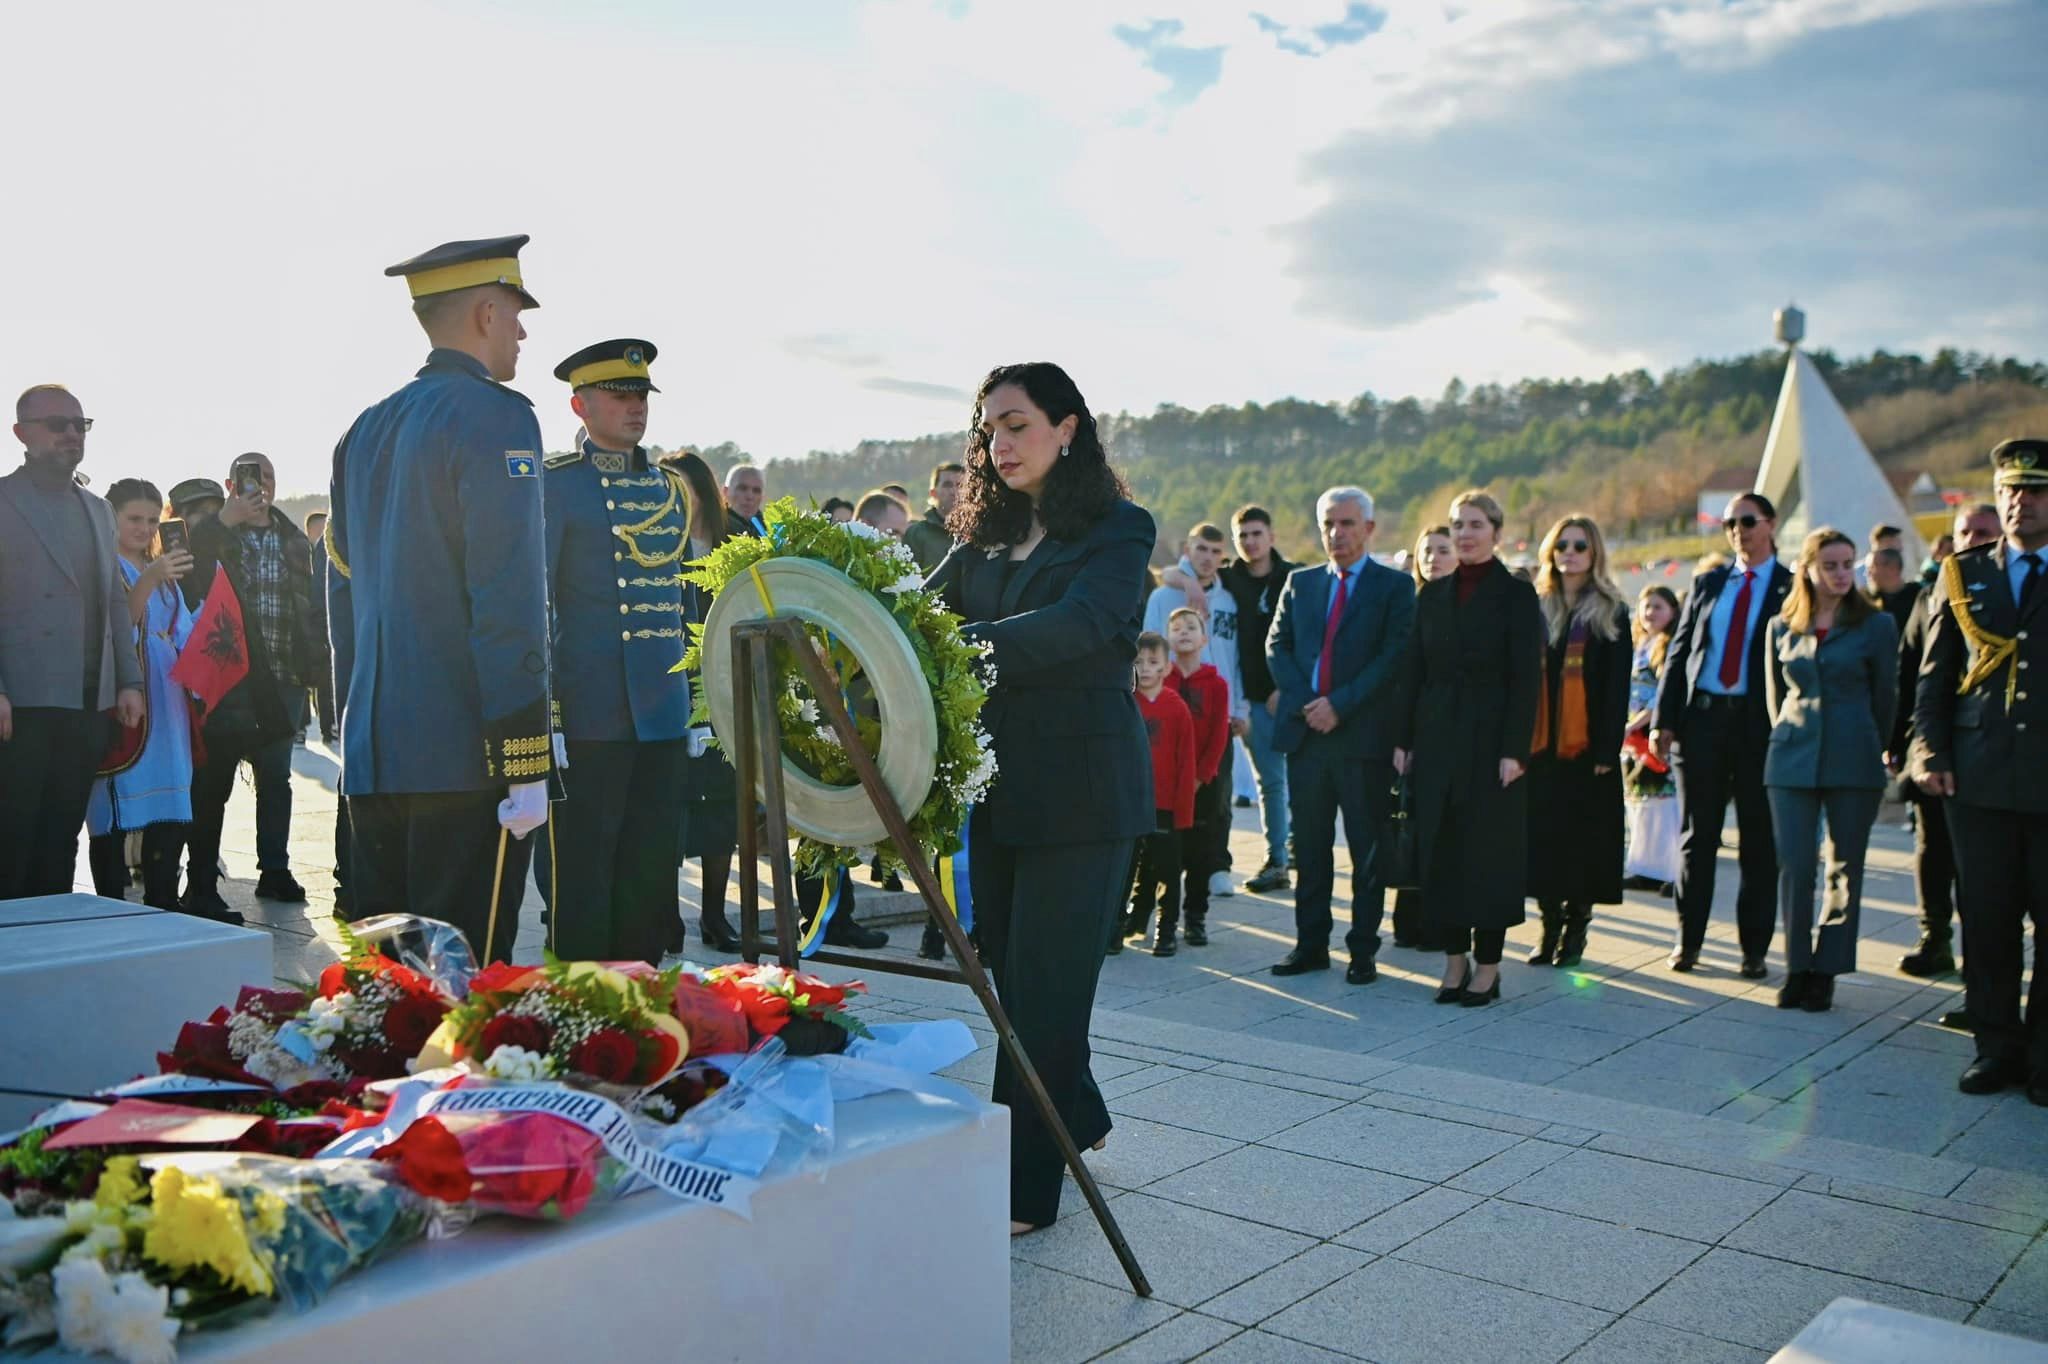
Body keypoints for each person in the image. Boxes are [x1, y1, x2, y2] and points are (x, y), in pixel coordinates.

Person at [926, 361, 1154, 1235]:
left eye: (1016, 424)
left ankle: (1022, 1192)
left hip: (1086, 798)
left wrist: (961, 649)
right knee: (1013, 984)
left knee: (1048, 993)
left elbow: (1082, 626)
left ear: (1067, 429)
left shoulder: (1118, 529)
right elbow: (917, 610)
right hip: (1001, 790)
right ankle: (1077, 1117)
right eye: (988, 428)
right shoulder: (985, 532)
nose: (999, 443)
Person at [326, 235, 554, 962]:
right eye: (516, 312)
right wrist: (525, 758)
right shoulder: (497, 416)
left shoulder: (363, 429)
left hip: (376, 755)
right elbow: (507, 592)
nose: (522, 330)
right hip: (465, 757)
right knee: (464, 990)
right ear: (486, 312)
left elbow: (353, 582)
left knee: (389, 999)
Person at [528, 339, 692, 964]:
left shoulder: (670, 487)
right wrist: (548, 713)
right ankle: (583, 1004)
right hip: (590, 710)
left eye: (640, 396)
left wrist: (696, 705)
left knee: (650, 871)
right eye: (619, 396)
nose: (634, 408)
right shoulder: (556, 484)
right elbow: (535, 604)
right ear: (580, 405)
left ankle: (642, 998)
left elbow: (686, 600)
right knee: (583, 874)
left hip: (662, 712)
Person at [1912, 440, 2048, 1104]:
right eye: (2010, 492)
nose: (2020, 502)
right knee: (1987, 919)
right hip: (1980, 779)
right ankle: (1996, 1047)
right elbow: (1934, 679)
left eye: (2036, 491)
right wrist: (1929, 752)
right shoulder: (1963, 574)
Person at [1393, 489, 1542, 1007]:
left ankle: (1489, 967)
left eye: (1475, 525)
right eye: (1457, 525)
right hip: (1437, 742)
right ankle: (1454, 962)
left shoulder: (1517, 595)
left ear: (1496, 533)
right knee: (1443, 853)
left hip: (1492, 744)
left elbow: (1528, 679)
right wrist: (1404, 740)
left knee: (1487, 857)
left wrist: (1515, 750)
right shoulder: (1431, 596)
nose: (1464, 534)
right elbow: (1414, 672)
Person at [0, 384, 144, 899]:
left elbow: (112, 602)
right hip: (21, 703)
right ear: (21, 433)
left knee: (61, 838)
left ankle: (51, 944)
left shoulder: (98, 510)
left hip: (87, 704)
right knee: (12, 837)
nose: (69, 434)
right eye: (56, 424)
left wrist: (128, 680)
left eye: (78, 425)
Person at [1266, 487, 1414, 980]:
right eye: (1329, 523)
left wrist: (1340, 704)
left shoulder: (1394, 587)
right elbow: (1277, 645)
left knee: (1365, 850)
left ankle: (1363, 949)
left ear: (1369, 528)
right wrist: (1310, 704)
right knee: (1309, 850)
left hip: (1361, 739)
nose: (1337, 533)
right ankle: (1310, 945)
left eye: (1348, 523)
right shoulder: (1301, 582)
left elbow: (1393, 657)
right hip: (1306, 737)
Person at [1652, 492, 1792, 976]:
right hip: (1704, 721)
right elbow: (1679, 653)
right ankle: (1688, 942)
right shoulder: (1709, 582)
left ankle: (1754, 950)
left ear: (1770, 524)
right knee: (1698, 838)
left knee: (1758, 842)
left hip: (1759, 725)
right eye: (1730, 522)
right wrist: (1663, 721)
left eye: (1748, 520)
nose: (1738, 530)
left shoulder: (1790, 587)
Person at [1765, 528, 1897, 1013]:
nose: (1843, 575)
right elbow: (1774, 699)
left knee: (1845, 867)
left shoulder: (1876, 625)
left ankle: (1827, 969)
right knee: (1797, 865)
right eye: (1831, 566)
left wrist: (1875, 745)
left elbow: (1887, 697)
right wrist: (1787, 737)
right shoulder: (1782, 625)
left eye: (1848, 565)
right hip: (1791, 757)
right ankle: (1798, 965)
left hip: (1853, 756)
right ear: (1808, 569)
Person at [183, 451, 320, 909]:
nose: (260, 484)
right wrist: (226, 517)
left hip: (284, 677)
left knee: (276, 778)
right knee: (214, 781)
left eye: (267, 476)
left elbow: (312, 608)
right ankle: (200, 878)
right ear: (231, 484)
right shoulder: (220, 535)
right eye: (249, 476)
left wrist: (315, 667)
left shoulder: (294, 539)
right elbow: (193, 557)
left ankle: (274, 869)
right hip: (233, 678)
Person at [1894, 502, 2002, 982]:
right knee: (1931, 849)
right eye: (1965, 531)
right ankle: (1934, 936)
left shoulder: (2009, 591)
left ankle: (1986, 963)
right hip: (1938, 748)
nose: (1974, 538)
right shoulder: (1930, 595)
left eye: (1984, 531)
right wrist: (1901, 740)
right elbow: (1913, 672)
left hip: (1992, 751)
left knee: (1988, 868)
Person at [83, 478, 198, 911]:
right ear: (110, 517)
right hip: (126, 695)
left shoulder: (165, 576)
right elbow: (116, 627)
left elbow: (181, 630)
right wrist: (150, 577)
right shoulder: (102, 564)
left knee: (170, 802)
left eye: (152, 520)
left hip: (168, 700)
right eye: (134, 518)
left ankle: (164, 900)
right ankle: (111, 905)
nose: (144, 528)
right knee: (116, 806)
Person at [1525, 516, 1632, 969]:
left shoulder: (1611, 611)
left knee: (1582, 843)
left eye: (1580, 546)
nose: (1569, 553)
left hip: (1587, 752)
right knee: (1543, 841)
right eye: (1562, 545)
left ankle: (1576, 929)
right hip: (1540, 750)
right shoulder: (1537, 606)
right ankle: (1548, 927)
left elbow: (1616, 689)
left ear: (1594, 555)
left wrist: (1608, 751)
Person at [657, 447, 744, 953]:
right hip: (672, 685)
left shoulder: (735, 536)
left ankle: (715, 915)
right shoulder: (659, 538)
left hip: (723, 690)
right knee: (671, 808)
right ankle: (667, 915)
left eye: (687, 490)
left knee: (720, 813)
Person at [1144, 523, 1245, 896]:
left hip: (1217, 707)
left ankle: (1216, 865)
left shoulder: (1228, 600)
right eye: (1201, 549)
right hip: (1170, 711)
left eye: (1215, 552)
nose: (1207, 558)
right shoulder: (1163, 598)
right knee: (1166, 796)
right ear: (1188, 548)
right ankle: (1159, 874)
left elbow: (1234, 658)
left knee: (1217, 791)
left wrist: (1241, 706)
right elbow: (1149, 651)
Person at [1390, 523, 1454, 948]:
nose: (1432, 557)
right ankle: (1408, 920)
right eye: (1426, 550)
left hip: (1455, 734)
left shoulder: (1467, 607)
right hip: (1414, 734)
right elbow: (1403, 680)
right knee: (1408, 827)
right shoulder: (1408, 604)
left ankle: (1439, 922)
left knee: (1445, 832)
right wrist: (1400, 740)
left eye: (1442, 549)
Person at [1159, 607, 1230, 949]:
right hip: (1167, 783)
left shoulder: (1216, 684)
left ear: (1204, 638)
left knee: (1201, 851)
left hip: (1203, 783)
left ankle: (1196, 917)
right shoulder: (1160, 679)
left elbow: (1219, 734)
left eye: (1191, 627)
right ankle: (1163, 917)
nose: (1183, 632)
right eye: (1176, 628)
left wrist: (1202, 775)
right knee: (1167, 851)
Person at [1122, 631, 1195, 957]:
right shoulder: (1126, 703)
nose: (1147, 668)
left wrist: (1183, 811)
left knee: (1167, 870)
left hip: (1165, 807)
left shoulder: (1176, 708)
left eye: (1154, 662)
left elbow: (1186, 762)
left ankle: (1166, 931)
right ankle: (1121, 927)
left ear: (1167, 667)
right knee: (1130, 869)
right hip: (1131, 804)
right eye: (1139, 662)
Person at [1622, 585, 1682, 893]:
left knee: (1666, 804)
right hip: (1632, 735)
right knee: (1639, 803)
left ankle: (1673, 871)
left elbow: (1663, 693)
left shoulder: (1671, 646)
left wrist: (1638, 723)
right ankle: (1645, 867)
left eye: (1658, 607)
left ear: (1672, 611)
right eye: (1646, 607)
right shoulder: (1639, 643)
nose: (1650, 613)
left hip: (1654, 730)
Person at [305, 509, 337, 744]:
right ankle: (329, 725)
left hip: (330, 618)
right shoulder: (320, 550)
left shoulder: (329, 545)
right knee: (326, 678)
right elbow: (318, 589)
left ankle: (332, 724)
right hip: (325, 621)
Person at [906, 462, 965, 571]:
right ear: (933, 493)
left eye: (960, 485)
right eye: (947, 485)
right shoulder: (916, 534)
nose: (954, 491)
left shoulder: (978, 533)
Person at [724, 463, 767, 538]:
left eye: (756, 491)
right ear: (726, 492)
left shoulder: (770, 532)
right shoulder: (714, 529)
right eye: (742, 488)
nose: (750, 496)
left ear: (762, 496)